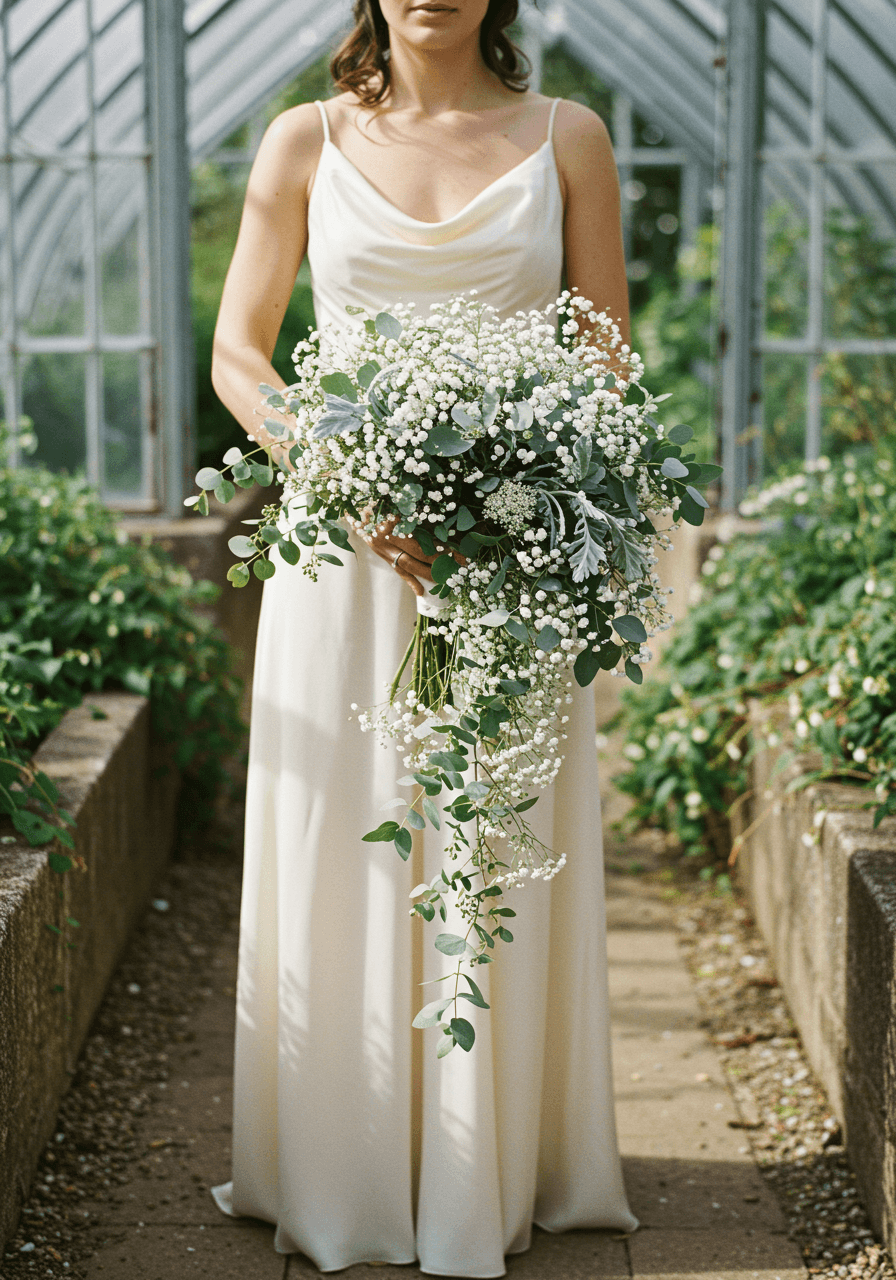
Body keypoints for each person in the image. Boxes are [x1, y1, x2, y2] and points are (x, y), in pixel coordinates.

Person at [209, 0, 638, 1273]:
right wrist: (346, 473)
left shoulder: (571, 138)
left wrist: (524, 487)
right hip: (344, 563)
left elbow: (606, 353)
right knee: (349, 824)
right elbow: (241, 349)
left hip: (507, 568)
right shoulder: (302, 140)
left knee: (490, 838)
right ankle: (340, 1165)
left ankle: (487, 1165)